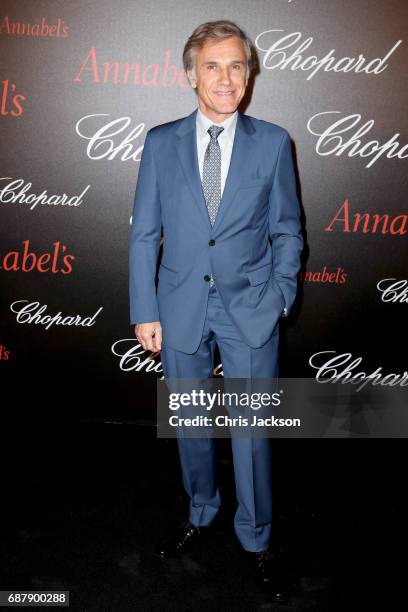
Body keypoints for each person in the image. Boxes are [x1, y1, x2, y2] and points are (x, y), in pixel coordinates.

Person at [129, 20, 303, 600]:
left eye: (237, 66)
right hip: (178, 306)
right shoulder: (159, 143)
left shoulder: (274, 142)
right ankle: (200, 514)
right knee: (191, 424)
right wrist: (144, 308)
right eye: (213, 65)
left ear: (249, 75)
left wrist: (280, 294)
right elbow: (143, 235)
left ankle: (256, 539)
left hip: (250, 307)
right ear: (190, 74)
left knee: (253, 433)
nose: (226, 78)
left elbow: (287, 230)